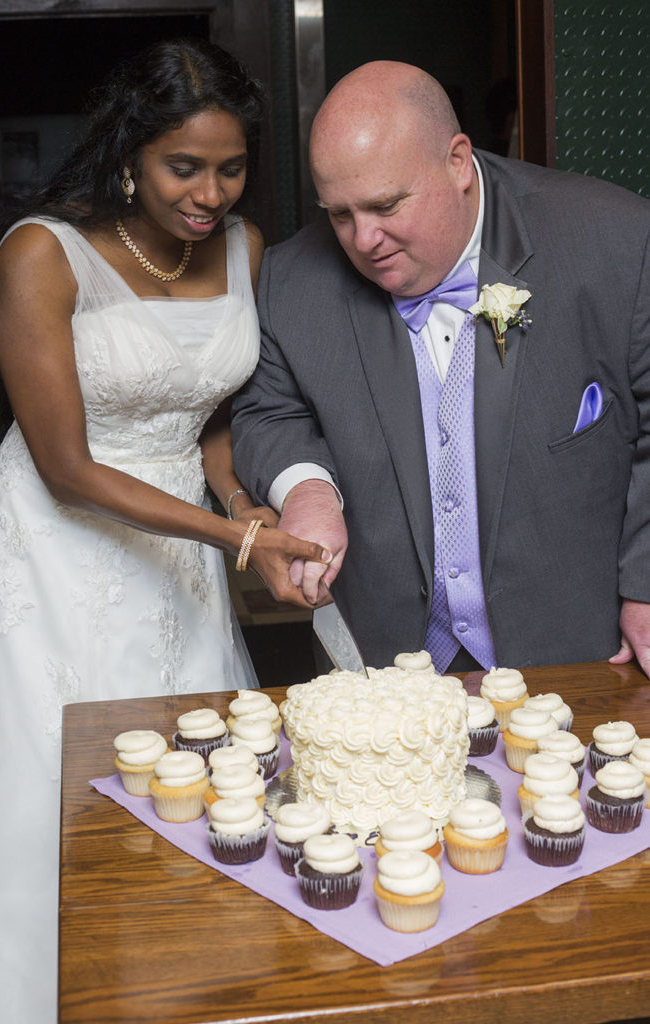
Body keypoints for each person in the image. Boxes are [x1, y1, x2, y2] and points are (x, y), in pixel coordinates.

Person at [0, 39, 330, 1024]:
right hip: (54, 546)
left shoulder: (244, 248)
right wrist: (237, 540)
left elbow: (205, 408)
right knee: (61, 790)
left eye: (230, 167)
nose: (209, 193)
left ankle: (175, 995)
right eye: (184, 167)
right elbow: (68, 468)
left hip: (181, 543)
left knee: (188, 782)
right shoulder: (42, 252)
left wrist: (240, 500)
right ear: (131, 153)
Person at [232, 60, 650, 679]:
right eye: (339, 215)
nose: (363, 239)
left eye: (385, 205)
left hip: (578, 655)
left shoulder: (615, 240)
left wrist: (645, 586)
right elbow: (270, 409)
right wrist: (307, 489)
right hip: (381, 669)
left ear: (458, 162)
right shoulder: (291, 282)